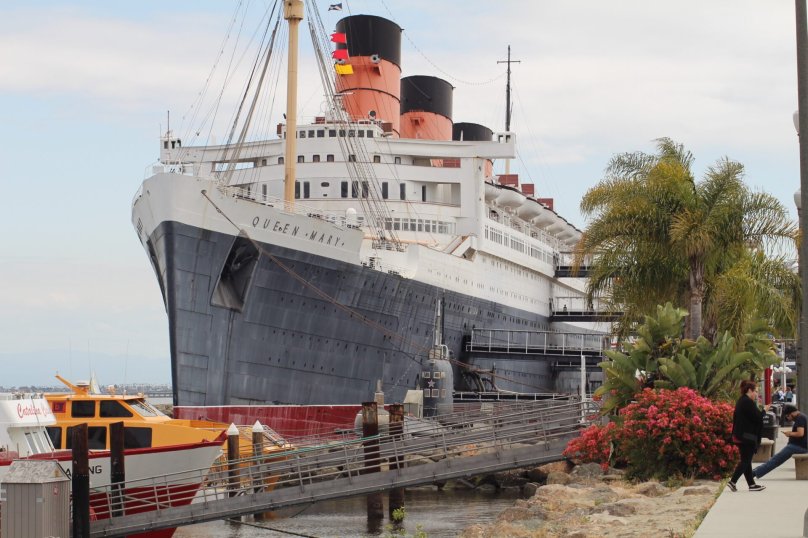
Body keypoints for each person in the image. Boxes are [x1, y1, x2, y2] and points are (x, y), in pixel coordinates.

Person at [728, 380, 766, 492]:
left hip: (741, 435)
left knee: (747, 461)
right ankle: (733, 481)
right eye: (756, 392)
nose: (757, 395)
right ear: (750, 390)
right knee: (745, 461)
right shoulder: (747, 402)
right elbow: (757, 417)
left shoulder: (742, 401)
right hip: (746, 437)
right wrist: (764, 410)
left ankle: (751, 484)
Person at [753, 404, 808, 479]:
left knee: (776, 459)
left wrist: (789, 433)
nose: (788, 419)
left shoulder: (800, 418)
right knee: (776, 458)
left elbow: (800, 433)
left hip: (799, 446)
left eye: (787, 416)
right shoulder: (801, 417)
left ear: (791, 413)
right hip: (798, 445)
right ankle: (756, 471)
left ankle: (755, 473)